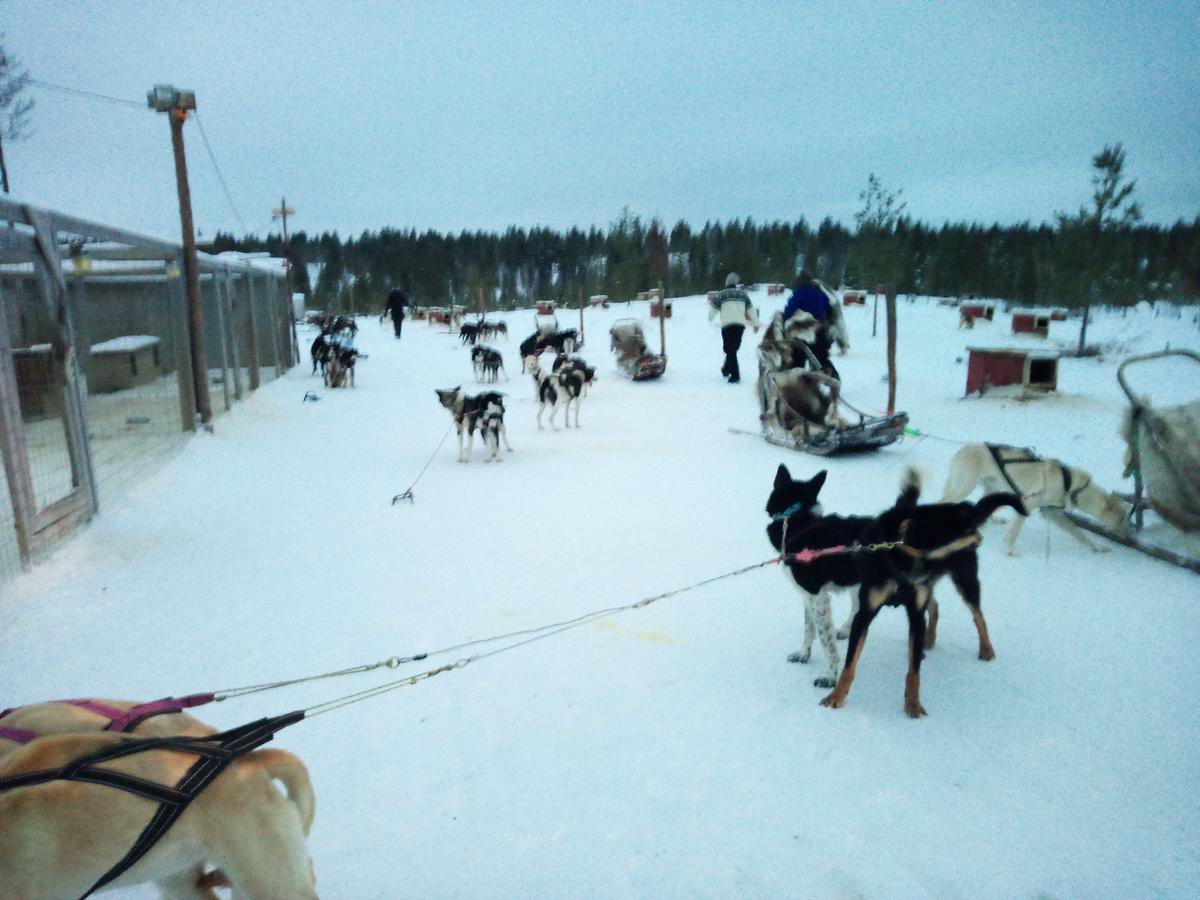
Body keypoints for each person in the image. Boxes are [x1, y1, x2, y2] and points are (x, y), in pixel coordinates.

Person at [708, 272, 759, 383]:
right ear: (735, 284)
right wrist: (756, 324)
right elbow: (751, 310)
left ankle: (735, 375)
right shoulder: (743, 295)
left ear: (726, 283)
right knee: (732, 349)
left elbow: (712, 311)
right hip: (740, 326)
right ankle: (726, 369)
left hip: (727, 326)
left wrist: (710, 318)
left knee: (730, 350)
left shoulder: (721, 295)